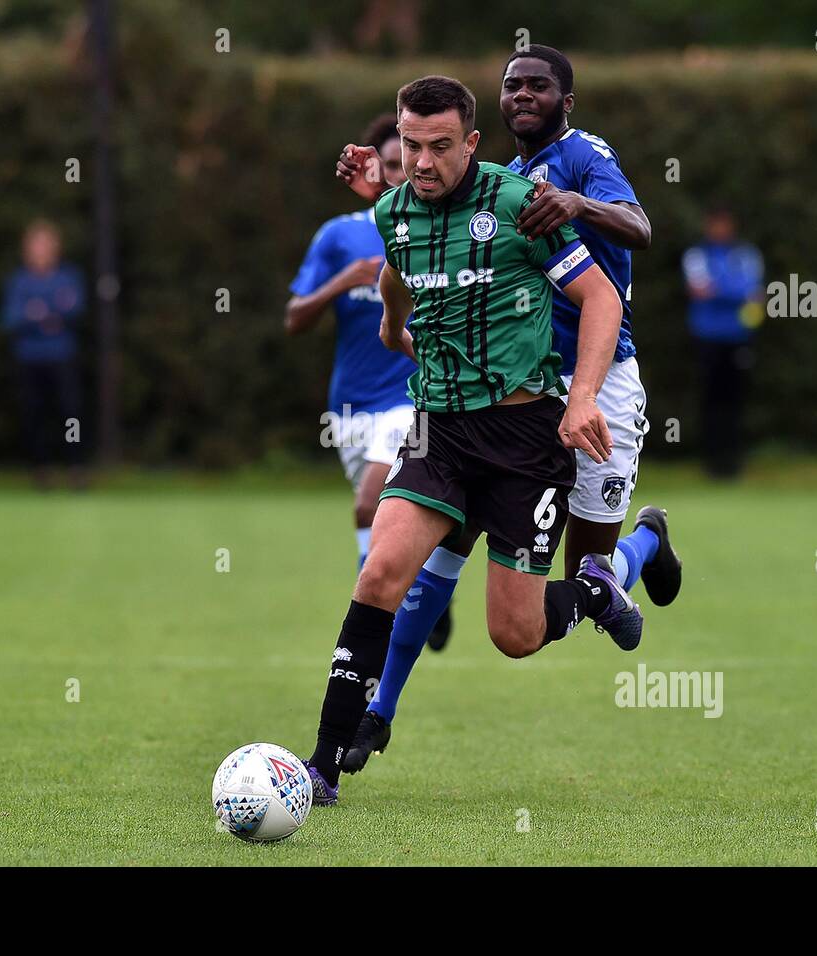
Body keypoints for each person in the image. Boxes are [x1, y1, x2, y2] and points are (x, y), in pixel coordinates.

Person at [335, 45, 683, 775]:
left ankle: (641, 545)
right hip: (504, 396)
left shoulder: (583, 156)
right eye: (512, 85)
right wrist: (383, 185)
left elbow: (640, 230)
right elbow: (421, 229)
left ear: (567, 99)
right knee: (431, 565)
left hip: (597, 377)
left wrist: (580, 205)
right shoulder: (494, 176)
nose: (523, 95)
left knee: (586, 567)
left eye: (539, 86)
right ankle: (377, 712)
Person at [286, 115, 454, 651]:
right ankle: (426, 592)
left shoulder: (437, 231)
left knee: (371, 502)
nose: (406, 170)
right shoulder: (340, 235)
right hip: (350, 406)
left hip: (414, 396)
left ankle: (376, 620)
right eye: (394, 159)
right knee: (391, 519)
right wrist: (346, 280)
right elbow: (295, 318)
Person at [1, 220, 88, 487]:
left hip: (62, 356)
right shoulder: (19, 281)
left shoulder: (69, 277)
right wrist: (43, 316)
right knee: (34, 414)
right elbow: (11, 318)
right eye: (36, 245)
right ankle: (41, 470)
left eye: (46, 244)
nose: (41, 250)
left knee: (70, 412)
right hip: (30, 358)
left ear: (56, 248)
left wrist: (38, 313)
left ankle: (76, 468)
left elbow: (75, 309)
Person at [683, 207, 764, 479]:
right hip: (708, 339)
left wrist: (721, 289)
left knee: (734, 403)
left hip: (739, 338)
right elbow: (701, 290)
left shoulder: (746, 254)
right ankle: (712, 465)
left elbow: (753, 292)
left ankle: (733, 464)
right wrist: (735, 290)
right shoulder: (696, 255)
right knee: (710, 403)